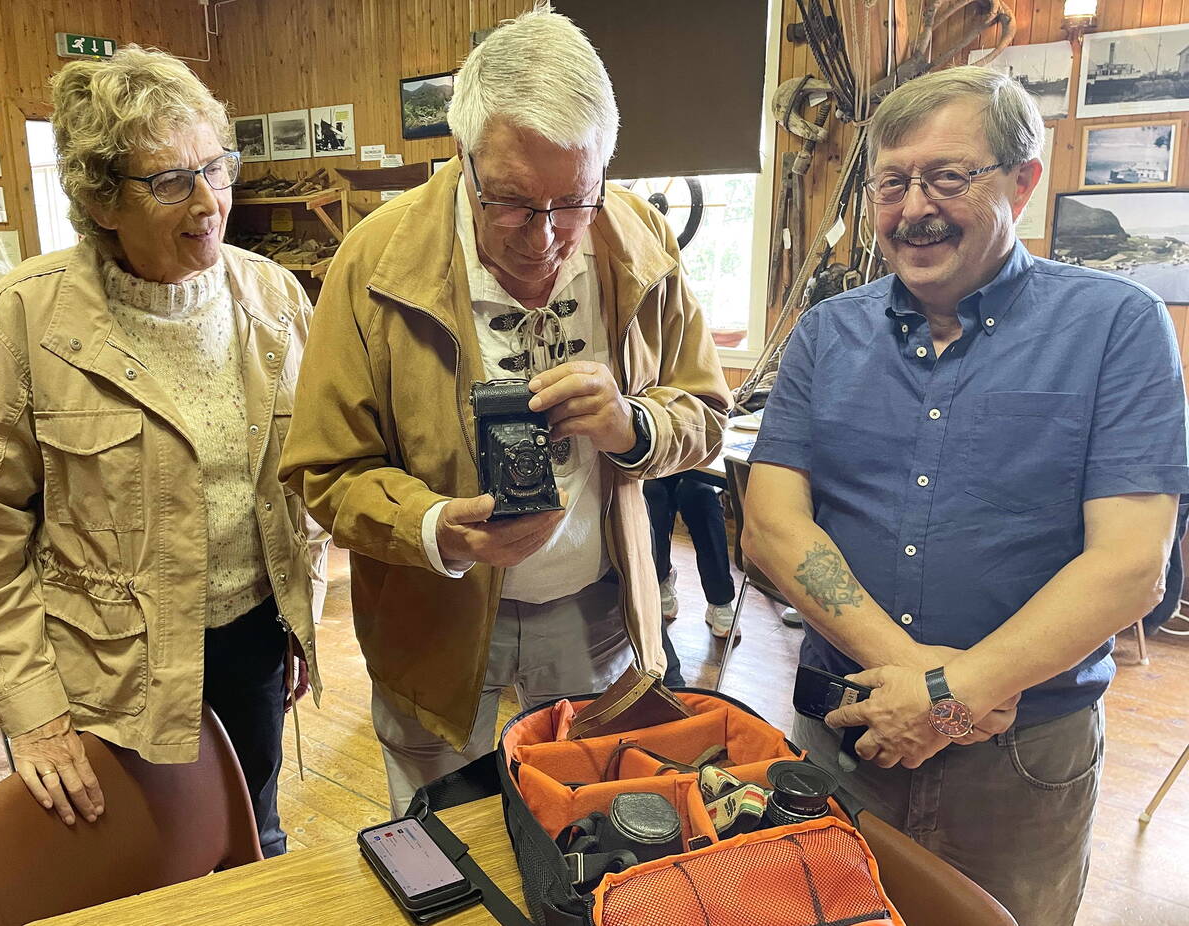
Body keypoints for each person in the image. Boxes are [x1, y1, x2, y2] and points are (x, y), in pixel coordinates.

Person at [741, 65, 1189, 925]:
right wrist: (930, 688)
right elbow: (771, 528)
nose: (915, 209)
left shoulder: (1117, 327)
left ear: (1024, 181)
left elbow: (1132, 567)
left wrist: (947, 697)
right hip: (851, 727)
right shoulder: (826, 334)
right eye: (891, 183)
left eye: (949, 176)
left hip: (1021, 759)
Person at [279, 5, 730, 815]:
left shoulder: (641, 242)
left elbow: (704, 411)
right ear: (461, 156)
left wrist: (634, 424)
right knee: (439, 831)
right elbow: (324, 470)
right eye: (514, 203)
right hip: (436, 618)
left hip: (596, 606)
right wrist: (435, 526)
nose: (546, 238)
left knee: (590, 820)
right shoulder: (375, 261)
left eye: (574, 201)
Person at [0, 46, 327, 858]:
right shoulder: (29, 319)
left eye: (217, 167)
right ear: (103, 200)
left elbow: (298, 483)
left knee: (253, 846)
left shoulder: (274, 299)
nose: (209, 201)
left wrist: (298, 617)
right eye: (170, 181)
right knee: (139, 872)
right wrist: (33, 713)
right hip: (105, 675)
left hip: (249, 641)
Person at [645, 474, 737, 637]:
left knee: (700, 495)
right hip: (655, 465)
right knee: (652, 493)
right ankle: (661, 577)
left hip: (697, 465)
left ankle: (720, 600)